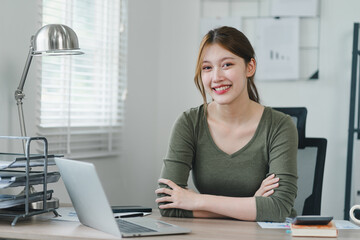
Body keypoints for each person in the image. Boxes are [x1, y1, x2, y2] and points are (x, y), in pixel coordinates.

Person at [155, 26, 298, 222]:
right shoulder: (189, 123)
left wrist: (197, 201)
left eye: (227, 64)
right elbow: (167, 203)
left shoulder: (280, 126)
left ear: (250, 67)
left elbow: (278, 208)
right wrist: (252, 204)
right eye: (207, 68)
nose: (216, 77)